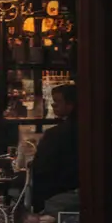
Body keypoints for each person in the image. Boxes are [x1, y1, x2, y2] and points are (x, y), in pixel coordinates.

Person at [31, 84, 79, 214]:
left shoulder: (56, 134)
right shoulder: (90, 127)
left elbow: (41, 169)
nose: (53, 105)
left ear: (71, 104)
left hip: (58, 196)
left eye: (57, 101)